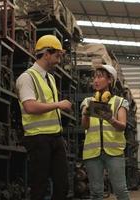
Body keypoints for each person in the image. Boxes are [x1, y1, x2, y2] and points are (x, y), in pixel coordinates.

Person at [16, 35, 72, 200]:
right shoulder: (27, 78)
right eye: (57, 55)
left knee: (62, 185)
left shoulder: (51, 79)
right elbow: (30, 106)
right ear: (46, 53)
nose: (59, 59)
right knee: (39, 186)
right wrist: (58, 105)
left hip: (55, 137)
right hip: (37, 138)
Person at [80, 64, 130, 200]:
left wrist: (111, 119)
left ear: (110, 80)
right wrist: (85, 114)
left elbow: (122, 126)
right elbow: (84, 126)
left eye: (100, 77)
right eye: (94, 77)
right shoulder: (87, 101)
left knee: (121, 190)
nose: (95, 80)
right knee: (96, 193)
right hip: (92, 152)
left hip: (114, 152)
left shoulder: (120, 102)